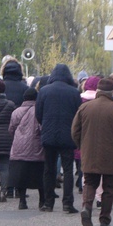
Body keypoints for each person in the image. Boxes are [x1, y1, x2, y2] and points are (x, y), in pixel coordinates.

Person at [72, 79, 113, 226]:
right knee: (109, 187)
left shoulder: (84, 107)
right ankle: (104, 220)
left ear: (97, 91)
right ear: (112, 92)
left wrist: (82, 145)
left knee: (89, 182)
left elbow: (74, 131)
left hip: (89, 152)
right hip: (110, 154)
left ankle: (86, 207)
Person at [35, 63, 82, 213]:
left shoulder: (44, 91)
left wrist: (46, 124)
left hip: (49, 134)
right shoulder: (74, 92)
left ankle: (48, 203)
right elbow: (78, 114)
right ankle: (67, 203)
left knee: (48, 169)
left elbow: (38, 114)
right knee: (68, 170)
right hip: (68, 135)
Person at [8, 88, 45, 210]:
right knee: (39, 175)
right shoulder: (39, 111)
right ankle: (42, 200)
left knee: (21, 175)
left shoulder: (16, 111)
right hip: (36, 147)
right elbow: (41, 128)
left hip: (19, 147)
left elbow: (11, 129)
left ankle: (22, 201)